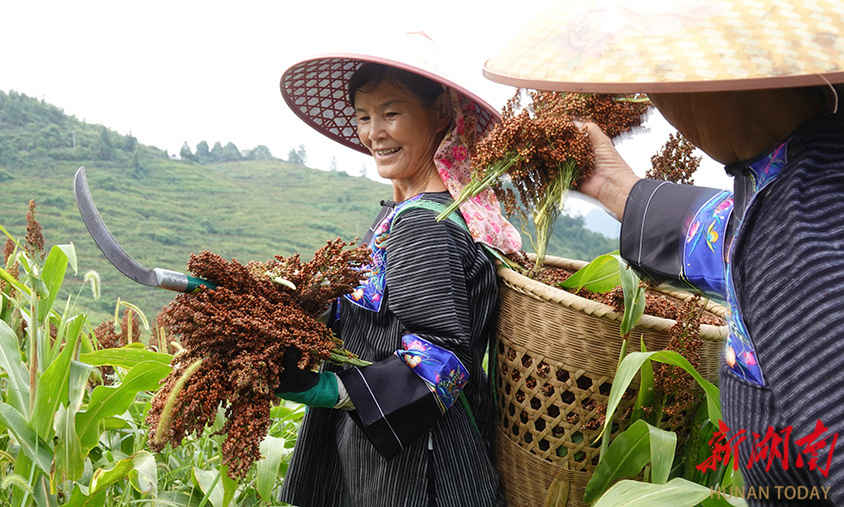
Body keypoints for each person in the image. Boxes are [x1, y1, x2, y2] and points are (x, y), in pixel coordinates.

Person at [483, 1, 844, 505]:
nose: (659, 96)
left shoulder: (805, 237)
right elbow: (731, 238)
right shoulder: (796, 181)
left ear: (719, 67)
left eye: (660, 74)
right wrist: (617, 188)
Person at [274, 32, 521, 506]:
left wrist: (329, 389)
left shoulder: (425, 225)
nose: (373, 133)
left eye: (391, 113)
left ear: (441, 113)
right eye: (364, 117)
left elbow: (441, 358)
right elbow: (378, 309)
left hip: (417, 468)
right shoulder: (404, 213)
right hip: (379, 452)